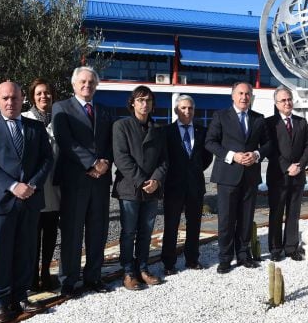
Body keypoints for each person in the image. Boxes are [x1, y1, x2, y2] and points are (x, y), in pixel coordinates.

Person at [0, 81, 52, 323]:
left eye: (14, 98)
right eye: (5, 98)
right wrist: (13, 185)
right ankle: (0, 302)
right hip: (0, 202)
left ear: (22, 100)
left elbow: (47, 159)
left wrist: (33, 185)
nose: (10, 102)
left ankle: (20, 295)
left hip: (30, 200)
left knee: (26, 251)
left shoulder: (36, 128)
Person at [52, 66, 113, 297]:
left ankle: (93, 277)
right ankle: (68, 280)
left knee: (98, 231)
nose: (87, 85)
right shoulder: (61, 108)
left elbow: (110, 142)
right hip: (75, 180)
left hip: (100, 181)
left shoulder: (105, 110)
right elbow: (65, 141)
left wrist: (104, 162)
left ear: (96, 85)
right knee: (72, 231)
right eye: (83, 82)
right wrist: (91, 164)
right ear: (74, 84)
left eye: (91, 82)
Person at [205, 82, 269, 274]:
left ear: (251, 97)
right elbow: (210, 142)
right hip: (227, 176)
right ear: (233, 96)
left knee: (246, 218)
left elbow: (268, 145)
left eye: (247, 94)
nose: (244, 97)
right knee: (226, 219)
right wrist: (232, 155)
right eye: (240, 93)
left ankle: (243, 254)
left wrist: (256, 154)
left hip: (250, 177)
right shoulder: (221, 116)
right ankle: (225, 258)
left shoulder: (259, 119)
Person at [112, 86, 167, 290]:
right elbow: (121, 158)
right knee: (128, 232)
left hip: (152, 189)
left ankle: (143, 268)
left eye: (148, 100)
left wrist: (156, 181)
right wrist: (143, 181)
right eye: (141, 100)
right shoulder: (121, 126)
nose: (145, 104)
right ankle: (128, 271)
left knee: (146, 231)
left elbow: (164, 160)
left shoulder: (158, 129)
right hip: (130, 188)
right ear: (132, 103)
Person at [161, 95, 213, 275]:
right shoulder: (166, 132)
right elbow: (164, 159)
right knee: (171, 225)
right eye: (183, 108)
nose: (187, 111)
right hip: (173, 186)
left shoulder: (202, 131)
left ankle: (192, 259)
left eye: (190, 108)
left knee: (194, 225)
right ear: (176, 110)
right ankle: (168, 263)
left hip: (195, 186)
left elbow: (206, 158)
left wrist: (193, 171)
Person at [265, 87, 308, 262]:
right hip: (278, 176)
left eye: (289, 99)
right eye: (283, 100)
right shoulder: (269, 123)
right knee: (276, 213)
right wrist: (287, 167)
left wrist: (300, 165)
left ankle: (291, 248)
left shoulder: (301, 122)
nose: (287, 103)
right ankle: (275, 248)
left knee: (294, 213)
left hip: (298, 176)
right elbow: (270, 149)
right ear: (277, 104)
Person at [21, 78, 61, 291]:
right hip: (33, 187)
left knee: (51, 234)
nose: (43, 97)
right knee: (32, 235)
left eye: (46, 93)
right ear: (32, 97)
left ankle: (46, 272)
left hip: (54, 188)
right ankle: (31, 276)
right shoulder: (25, 119)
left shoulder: (60, 119)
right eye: (39, 93)